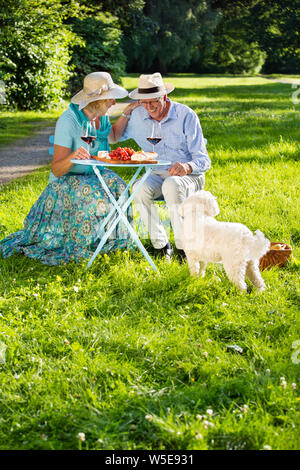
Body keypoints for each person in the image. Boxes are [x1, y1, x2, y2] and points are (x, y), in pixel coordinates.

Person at [0, 72, 138, 265]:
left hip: (95, 173)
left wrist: (127, 112)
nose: (114, 102)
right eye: (110, 98)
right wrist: (73, 157)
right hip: (66, 181)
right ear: (96, 99)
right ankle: (82, 244)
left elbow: (111, 137)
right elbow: (57, 169)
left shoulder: (102, 116)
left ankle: (111, 241)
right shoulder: (68, 121)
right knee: (92, 194)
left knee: (121, 186)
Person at [120, 72, 211, 262]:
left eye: (153, 101)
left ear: (164, 97)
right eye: (143, 102)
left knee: (171, 184)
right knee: (138, 188)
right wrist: (126, 112)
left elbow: (204, 161)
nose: (148, 107)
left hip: (189, 177)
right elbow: (113, 137)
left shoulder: (185, 115)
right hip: (156, 174)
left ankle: (184, 249)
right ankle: (161, 245)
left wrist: (186, 166)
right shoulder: (138, 115)